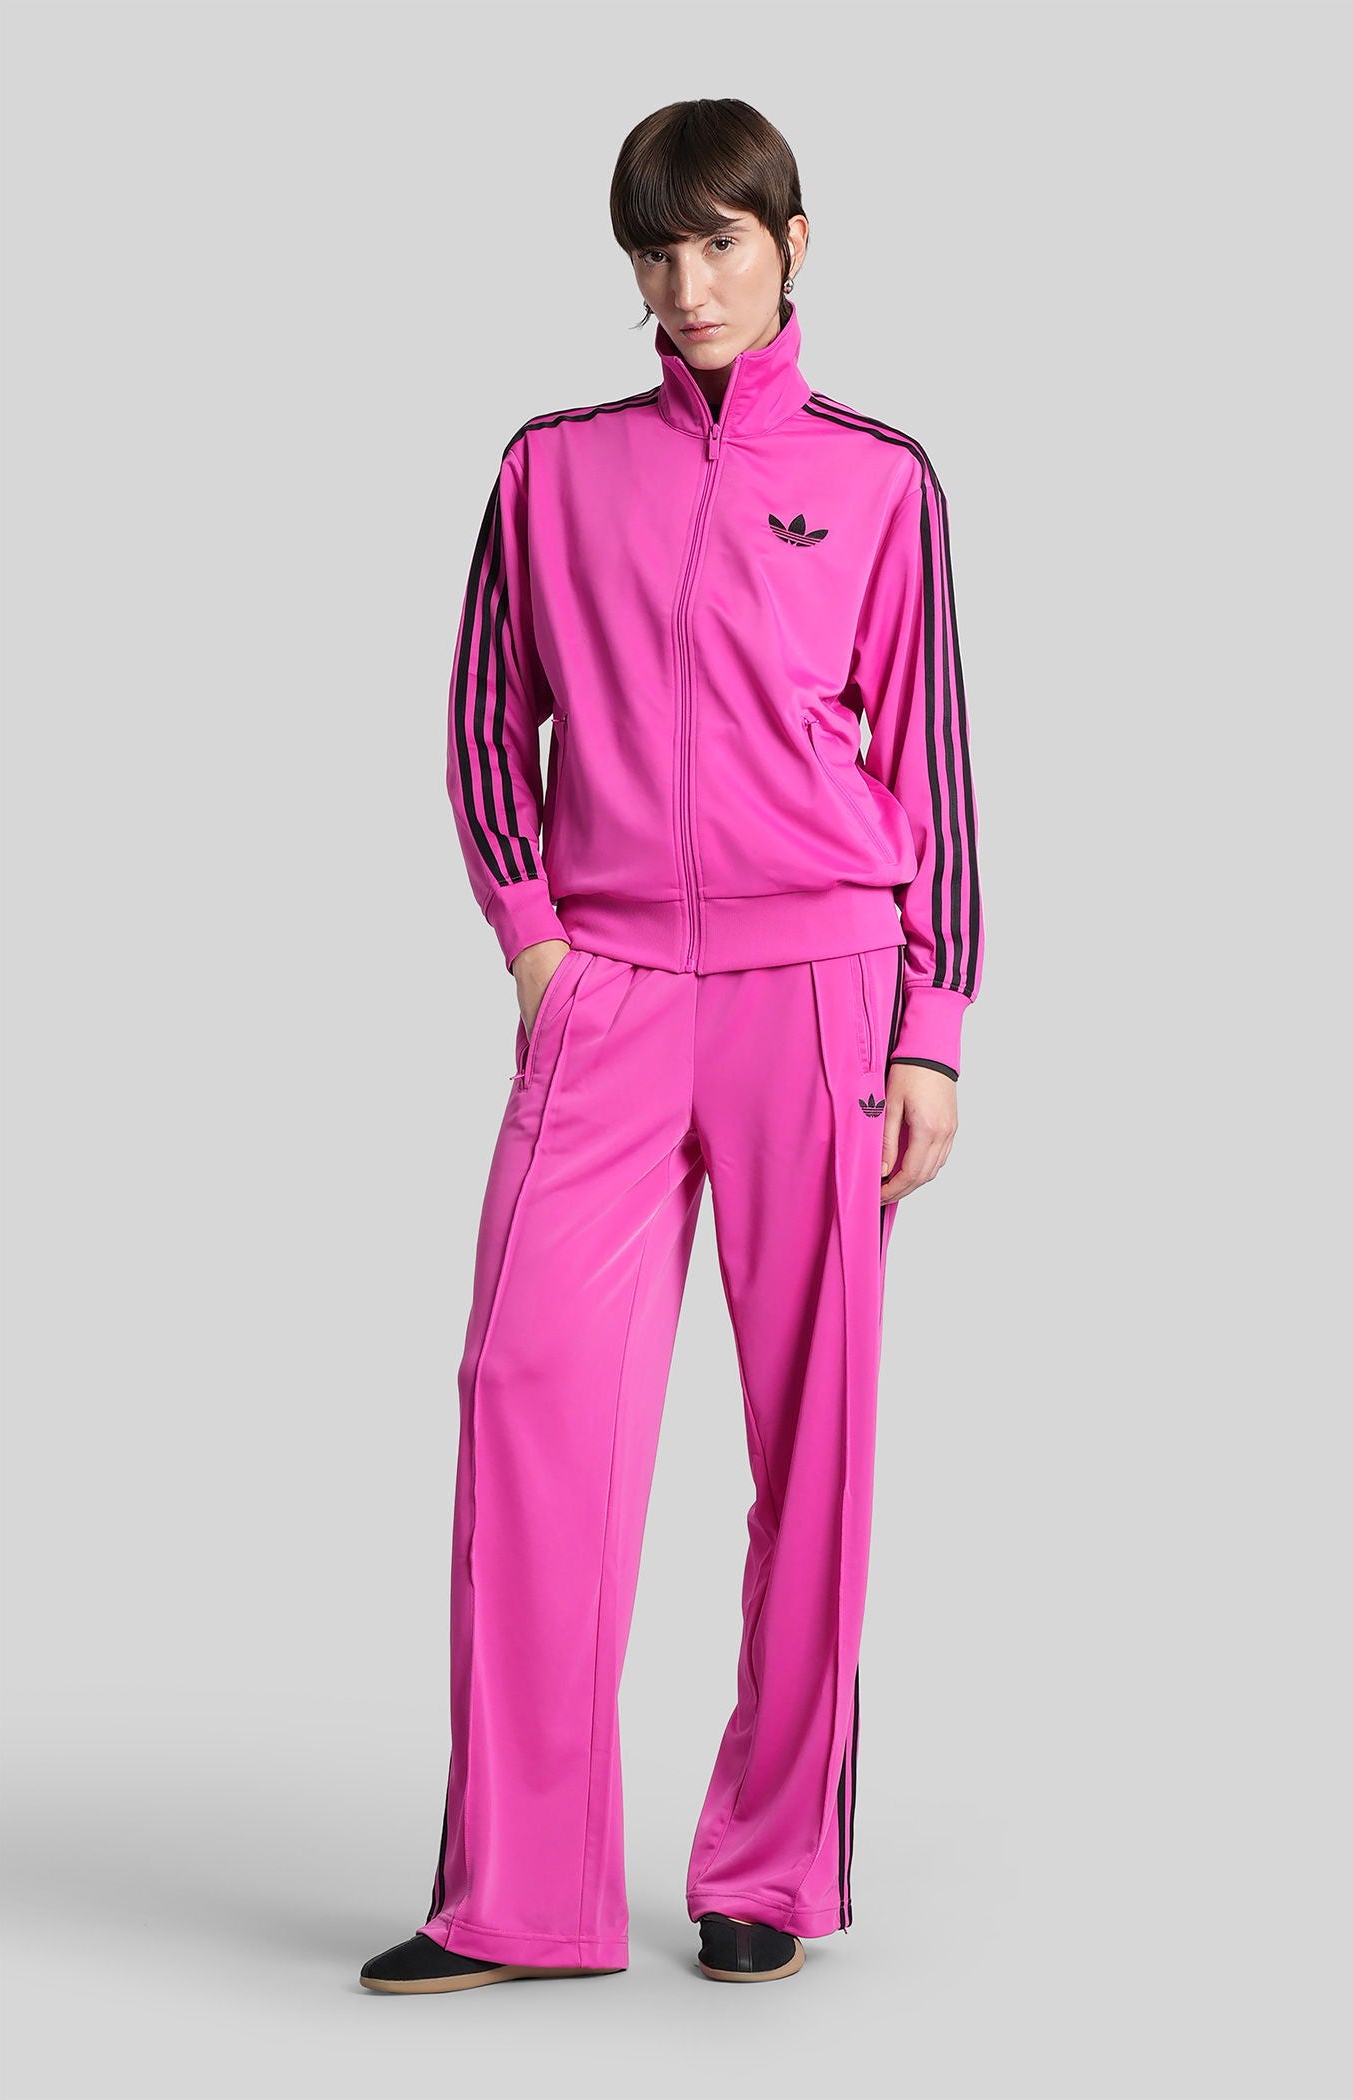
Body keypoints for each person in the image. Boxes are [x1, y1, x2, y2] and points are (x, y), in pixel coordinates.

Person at [361, 96, 984, 1995]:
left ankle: (769, 1871)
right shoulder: (550, 470)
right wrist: (539, 950)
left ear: (794, 242)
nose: (686, 283)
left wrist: (933, 1025)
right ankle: (519, 1896)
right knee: (528, 1399)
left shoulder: (879, 479)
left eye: (719, 241)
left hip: (823, 995)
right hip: (612, 993)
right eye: (656, 249)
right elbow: (488, 720)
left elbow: (933, 762)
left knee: (818, 1439)